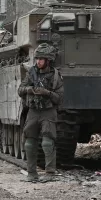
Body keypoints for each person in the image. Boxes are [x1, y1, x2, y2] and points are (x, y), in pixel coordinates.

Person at [18, 43, 63, 182]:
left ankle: (50, 172)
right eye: (37, 59)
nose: (38, 62)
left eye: (41, 59)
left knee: (47, 143)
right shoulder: (31, 73)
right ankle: (31, 173)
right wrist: (29, 90)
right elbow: (20, 90)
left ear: (48, 60)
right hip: (33, 111)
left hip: (48, 112)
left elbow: (59, 98)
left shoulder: (55, 76)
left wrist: (47, 93)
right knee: (29, 143)